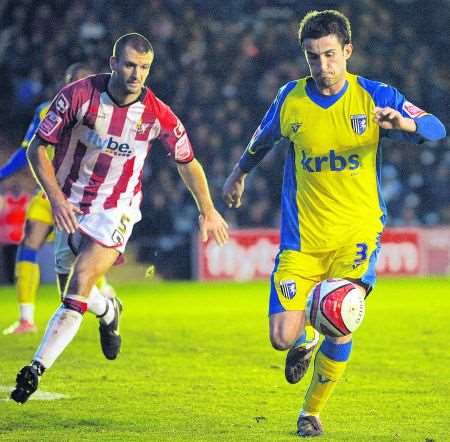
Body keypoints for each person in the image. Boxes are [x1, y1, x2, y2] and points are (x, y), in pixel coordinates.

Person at [223, 10, 446, 438]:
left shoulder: (374, 95)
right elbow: (261, 139)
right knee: (281, 337)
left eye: (329, 55)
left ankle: (310, 413)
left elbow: (436, 128)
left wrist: (404, 123)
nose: (322, 66)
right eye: (312, 57)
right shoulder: (291, 99)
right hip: (302, 242)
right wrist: (238, 174)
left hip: (356, 235)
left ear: (347, 51)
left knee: (342, 316)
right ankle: (306, 338)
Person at [11, 32, 229, 404]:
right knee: (75, 293)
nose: (136, 74)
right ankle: (109, 309)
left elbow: (187, 161)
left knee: (78, 285)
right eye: (129, 65)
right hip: (69, 204)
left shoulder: (156, 113)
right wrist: (56, 198)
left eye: (144, 67)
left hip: (117, 207)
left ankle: (35, 368)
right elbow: (37, 149)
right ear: (113, 63)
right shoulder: (79, 96)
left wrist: (207, 209)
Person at [1, 63, 118, 335]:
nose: (77, 86)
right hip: (48, 194)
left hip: (81, 198)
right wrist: (3, 173)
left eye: (82, 81)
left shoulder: (103, 114)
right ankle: (26, 319)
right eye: (73, 81)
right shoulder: (46, 110)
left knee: (86, 252)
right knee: (28, 244)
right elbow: (27, 150)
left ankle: (104, 297)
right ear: (65, 83)